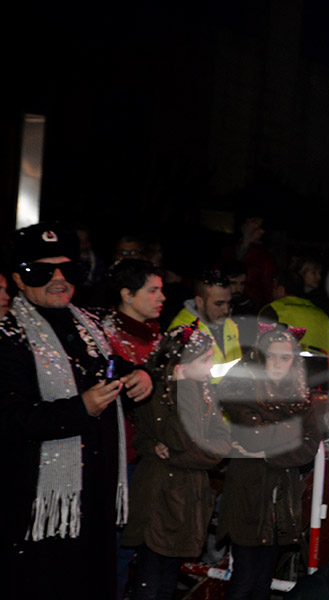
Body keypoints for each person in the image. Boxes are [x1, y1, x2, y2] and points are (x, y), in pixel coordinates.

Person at [0, 222, 153, 599]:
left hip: (94, 499)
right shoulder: (9, 334)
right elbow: (10, 419)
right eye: (41, 270)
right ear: (19, 279)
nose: (57, 280)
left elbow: (111, 366)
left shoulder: (89, 325)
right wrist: (79, 409)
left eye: (67, 270)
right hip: (35, 506)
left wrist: (140, 376)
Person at [122, 324, 231, 600]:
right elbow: (182, 437)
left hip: (188, 496)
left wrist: (180, 455)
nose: (210, 367)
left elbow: (220, 445)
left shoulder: (202, 391)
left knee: (168, 576)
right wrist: (184, 389)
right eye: (205, 359)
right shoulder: (159, 392)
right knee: (151, 576)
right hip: (160, 496)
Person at [217, 323, 324, 599]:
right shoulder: (243, 388)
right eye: (272, 355)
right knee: (244, 579)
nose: (278, 363)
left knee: (263, 581)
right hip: (248, 496)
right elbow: (253, 437)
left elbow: (310, 445)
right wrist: (290, 431)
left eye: (285, 357)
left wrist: (268, 452)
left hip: (281, 499)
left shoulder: (300, 396)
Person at [100, 257, 167, 599]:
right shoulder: (105, 338)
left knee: (141, 548)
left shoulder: (157, 338)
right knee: (116, 549)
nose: (162, 297)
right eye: (153, 290)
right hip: (119, 460)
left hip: (149, 461)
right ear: (127, 294)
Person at [169, 269, 242, 382]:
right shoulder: (182, 331)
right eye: (219, 304)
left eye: (228, 303)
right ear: (199, 302)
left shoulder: (229, 324)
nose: (226, 310)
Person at [260, 267, 329, 356]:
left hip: (288, 368)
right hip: (324, 368)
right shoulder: (323, 315)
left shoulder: (273, 310)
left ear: (280, 290)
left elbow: (262, 349)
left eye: (274, 287)